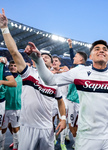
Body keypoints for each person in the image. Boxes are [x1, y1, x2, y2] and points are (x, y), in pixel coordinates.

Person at [0, 8, 66, 150]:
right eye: (41, 56)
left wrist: (63, 118)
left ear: (51, 62)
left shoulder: (55, 81)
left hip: (47, 128)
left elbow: (60, 101)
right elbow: (14, 52)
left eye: (47, 57)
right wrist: (5, 28)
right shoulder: (28, 73)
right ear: (36, 59)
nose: (44, 58)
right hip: (27, 127)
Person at [66, 38, 88, 149]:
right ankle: (77, 142)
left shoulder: (82, 70)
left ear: (81, 59)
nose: (73, 57)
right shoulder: (80, 69)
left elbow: (72, 59)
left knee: (75, 125)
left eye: (76, 56)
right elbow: (72, 58)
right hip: (75, 100)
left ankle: (79, 143)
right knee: (74, 124)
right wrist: (70, 46)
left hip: (77, 101)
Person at [0, 60, 22, 150]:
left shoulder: (22, 78)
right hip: (4, 107)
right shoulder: (5, 78)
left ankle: (16, 146)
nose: (13, 67)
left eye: (15, 65)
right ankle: (1, 147)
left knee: (16, 128)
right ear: (8, 67)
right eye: (11, 65)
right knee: (3, 129)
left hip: (17, 107)